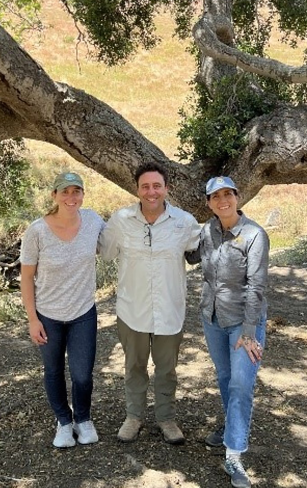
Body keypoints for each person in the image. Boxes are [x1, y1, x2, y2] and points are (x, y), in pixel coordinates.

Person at [100, 161, 201, 444]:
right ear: (137, 190)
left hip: (170, 309)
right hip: (132, 309)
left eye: (157, 186)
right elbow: (104, 252)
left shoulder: (185, 222)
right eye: (145, 186)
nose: (151, 192)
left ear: (167, 189)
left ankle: (167, 419)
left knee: (167, 368)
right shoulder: (121, 221)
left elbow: (201, 248)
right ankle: (134, 417)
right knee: (134, 365)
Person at [186, 176, 269, 488]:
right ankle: (228, 425)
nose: (223, 200)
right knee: (224, 378)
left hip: (244, 323)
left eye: (228, 194)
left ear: (237, 197)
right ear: (208, 203)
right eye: (215, 196)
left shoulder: (254, 235)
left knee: (241, 383)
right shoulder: (207, 231)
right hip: (212, 317)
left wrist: (249, 332)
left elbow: (257, 286)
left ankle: (233, 455)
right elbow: (192, 257)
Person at [20, 171, 105, 448]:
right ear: (54, 195)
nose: (71, 197)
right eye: (65, 191)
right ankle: (64, 422)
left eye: (76, 191)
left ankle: (83, 418)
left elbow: (119, 241)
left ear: (82, 195)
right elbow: (26, 277)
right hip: (48, 314)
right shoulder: (37, 231)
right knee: (53, 370)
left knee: (82, 373)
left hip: (83, 313)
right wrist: (33, 319)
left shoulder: (93, 221)